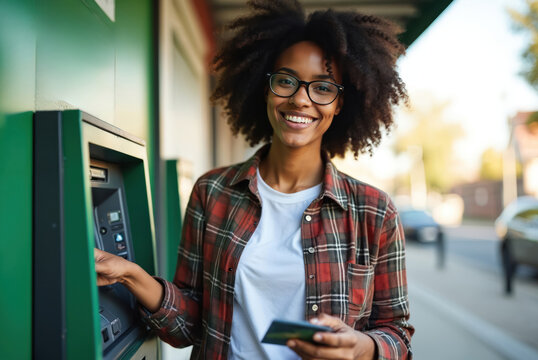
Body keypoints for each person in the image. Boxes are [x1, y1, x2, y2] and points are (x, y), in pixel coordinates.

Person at [94, 0, 414, 359]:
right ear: (265, 87)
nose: (300, 99)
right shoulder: (212, 192)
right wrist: (131, 276)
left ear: (340, 103)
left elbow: (397, 334)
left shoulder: (373, 212)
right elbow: (189, 325)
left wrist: (361, 348)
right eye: (285, 81)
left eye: (322, 88)